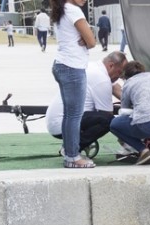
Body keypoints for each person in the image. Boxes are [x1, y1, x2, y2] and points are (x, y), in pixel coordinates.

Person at [46, 52, 127, 156]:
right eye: (120, 73)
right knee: (107, 120)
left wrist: (131, 100)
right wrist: (127, 141)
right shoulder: (102, 79)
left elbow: (115, 87)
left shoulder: (94, 67)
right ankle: (71, 149)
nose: (120, 77)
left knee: (102, 118)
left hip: (55, 120)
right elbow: (108, 115)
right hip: (62, 124)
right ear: (111, 65)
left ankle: (71, 145)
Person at [51, 0, 98, 169]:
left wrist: (83, 39)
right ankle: (72, 156)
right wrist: (86, 40)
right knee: (74, 115)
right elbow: (92, 41)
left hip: (62, 64)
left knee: (69, 115)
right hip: (73, 67)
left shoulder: (62, 9)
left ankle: (70, 152)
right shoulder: (73, 10)